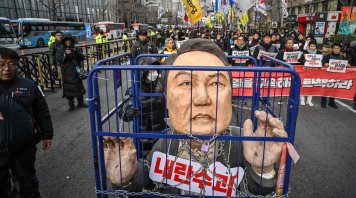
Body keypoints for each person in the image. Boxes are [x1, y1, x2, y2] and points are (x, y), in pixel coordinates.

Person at [104, 39, 287, 196]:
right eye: (185, 83)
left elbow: (256, 192)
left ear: (231, 95)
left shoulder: (243, 144)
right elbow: (147, 183)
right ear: (167, 99)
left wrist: (262, 171)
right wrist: (127, 178)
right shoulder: (167, 144)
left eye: (216, 83)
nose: (202, 99)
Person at [0, 47, 53, 197]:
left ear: (18, 65)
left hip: (23, 145)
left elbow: (42, 111)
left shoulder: (30, 85)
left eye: (11, 63)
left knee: (27, 183)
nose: (6, 69)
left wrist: (47, 134)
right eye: (1, 64)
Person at [119, 58, 166, 157]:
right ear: (143, 73)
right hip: (144, 137)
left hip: (161, 133)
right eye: (151, 71)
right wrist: (128, 112)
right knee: (145, 164)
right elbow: (122, 112)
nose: (155, 74)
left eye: (155, 70)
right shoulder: (134, 91)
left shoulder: (159, 86)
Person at [57, 36, 88, 112]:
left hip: (76, 71)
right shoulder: (61, 49)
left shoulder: (74, 48)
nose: (68, 42)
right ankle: (71, 105)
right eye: (67, 41)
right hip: (67, 72)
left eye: (70, 41)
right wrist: (66, 54)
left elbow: (82, 58)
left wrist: (76, 52)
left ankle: (80, 103)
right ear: (64, 42)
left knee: (78, 86)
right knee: (69, 88)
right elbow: (61, 60)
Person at [321, 43, 351, 109]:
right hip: (328, 75)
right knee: (326, 89)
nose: (336, 50)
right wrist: (324, 64)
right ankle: (323, 102)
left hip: (338, 76)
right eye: (334, 48)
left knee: (334, 90)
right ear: (332, 49)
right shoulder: (328, 56)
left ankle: (331, 102)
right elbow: (322, 62)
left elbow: (346, 64)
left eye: (337, 48)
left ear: (340, 49)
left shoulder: (342, 57)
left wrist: (348, 65)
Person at [298, 40, 323, 106]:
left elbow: (322, 61)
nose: (312, 47)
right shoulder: (305, 52)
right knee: (303, 85)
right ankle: (302, 99)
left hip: (315, 71)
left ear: (316, 46)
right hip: (305, 71)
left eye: (314, 46)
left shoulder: (319, 53)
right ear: (309, 46)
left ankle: (309, 100)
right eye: (311, 46)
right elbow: (300, 60)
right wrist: (305, 61)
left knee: (312, 85)